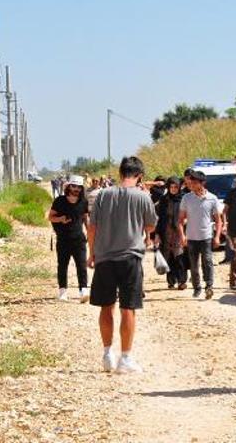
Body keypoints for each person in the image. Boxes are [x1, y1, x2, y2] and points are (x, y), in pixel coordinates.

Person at [88, 156, 157, 374]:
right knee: (129, 307)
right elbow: (150, 225)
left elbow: (92, 228)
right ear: (140, 176)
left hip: (104, 258)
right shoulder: (143, 197)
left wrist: (92, 254)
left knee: (106, 306)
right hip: (130, 257)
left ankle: (107, 353)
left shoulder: (103, 195)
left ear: (120, 174)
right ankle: (125, 358)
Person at [179, 170, 222, 299]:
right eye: (190, 181)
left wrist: (217, 236)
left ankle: (209, 286)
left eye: (194, 181)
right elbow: (180, 219)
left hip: (206, 237)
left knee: (207, 262)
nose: (191, 183)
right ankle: (197, 287)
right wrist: (182, 235)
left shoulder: (212, 198)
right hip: (191, 238)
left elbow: (218, 220)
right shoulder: (187, 198)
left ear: (202, 183)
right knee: (194, 264)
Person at [48, 175, 90, 302]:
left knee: (81, 265)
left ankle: (83, 290)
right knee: (62, 265)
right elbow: (50, 217)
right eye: (74, 186)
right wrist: (60, 219)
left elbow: (85, 218)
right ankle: (62, 291)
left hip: (79, 239)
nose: (76, 189)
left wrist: (89, 233)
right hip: (63, 239)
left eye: (78, 187)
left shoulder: (83, 202)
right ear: (69, 186)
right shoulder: (59, 201)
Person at [154, 177, 187, 290]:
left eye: (175, 187)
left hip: (180, 232)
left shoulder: (184, 199)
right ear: (168, 187)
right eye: (171, 187)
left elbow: (189, 214)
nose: (173, 189)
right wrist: (157, 234)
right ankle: (171, 281)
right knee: (169, 257)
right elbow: (160, 218)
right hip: (166, 232)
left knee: (180, 257)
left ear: (179, 187)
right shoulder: (164, 200)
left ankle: (182, 281)